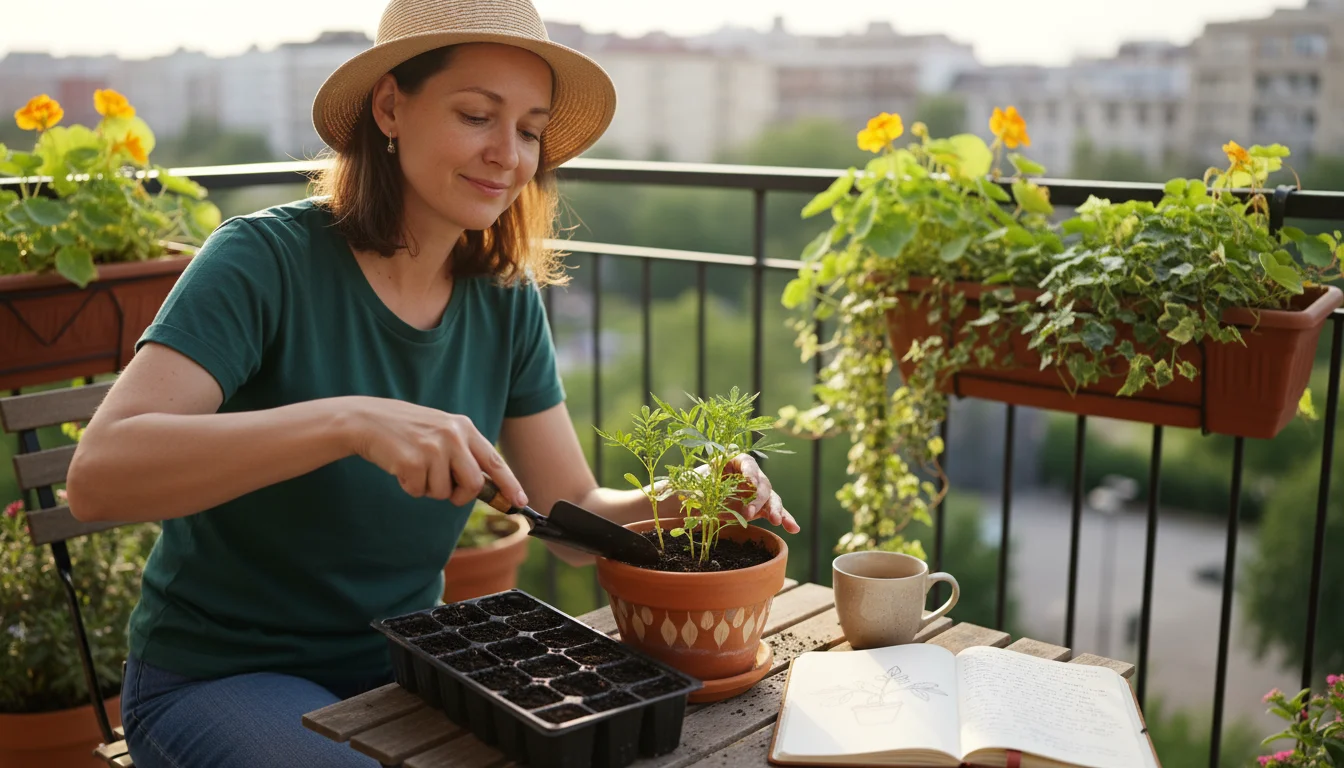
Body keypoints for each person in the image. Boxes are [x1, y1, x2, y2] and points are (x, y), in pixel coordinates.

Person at [63, 0, 800, 765]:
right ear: (390, 107)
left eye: (528, 130)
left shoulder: (506, 299)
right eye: (478, 115)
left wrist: (685, 497)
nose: (509, 156)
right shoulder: (261, 261)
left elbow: (569, 514)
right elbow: (100, 477)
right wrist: (350, 422)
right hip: (220, 678)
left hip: (408, 668)